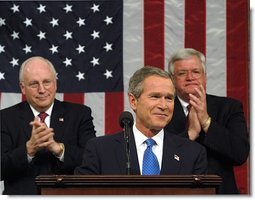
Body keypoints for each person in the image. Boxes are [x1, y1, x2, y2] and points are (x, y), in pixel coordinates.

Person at [75, 66, 207, 175]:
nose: (163, 105)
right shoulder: (100, 150)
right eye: (155, 96)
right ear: (133, 101)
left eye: (169, 98)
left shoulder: (193, 153)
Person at [1, 56, 96, 195]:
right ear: (23, 88)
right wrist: (28, 149)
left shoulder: (80, 114)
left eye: (46, 82)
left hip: (68, 197)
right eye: (34, 84)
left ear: (55, 83)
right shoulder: (5, 118)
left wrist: (59, 149)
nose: (42, 89)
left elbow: (92, 161)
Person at [164, 48, 250, 194]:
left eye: (196, 72)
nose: (190, 77)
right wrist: (190, 134)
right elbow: (157, 159)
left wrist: (206, 122)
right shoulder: (161, 111)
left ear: (205, 77)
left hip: (220, 193)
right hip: (176, 193)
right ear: (172, 80)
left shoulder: (229, 107)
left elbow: (239, 154)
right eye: (182, 73)